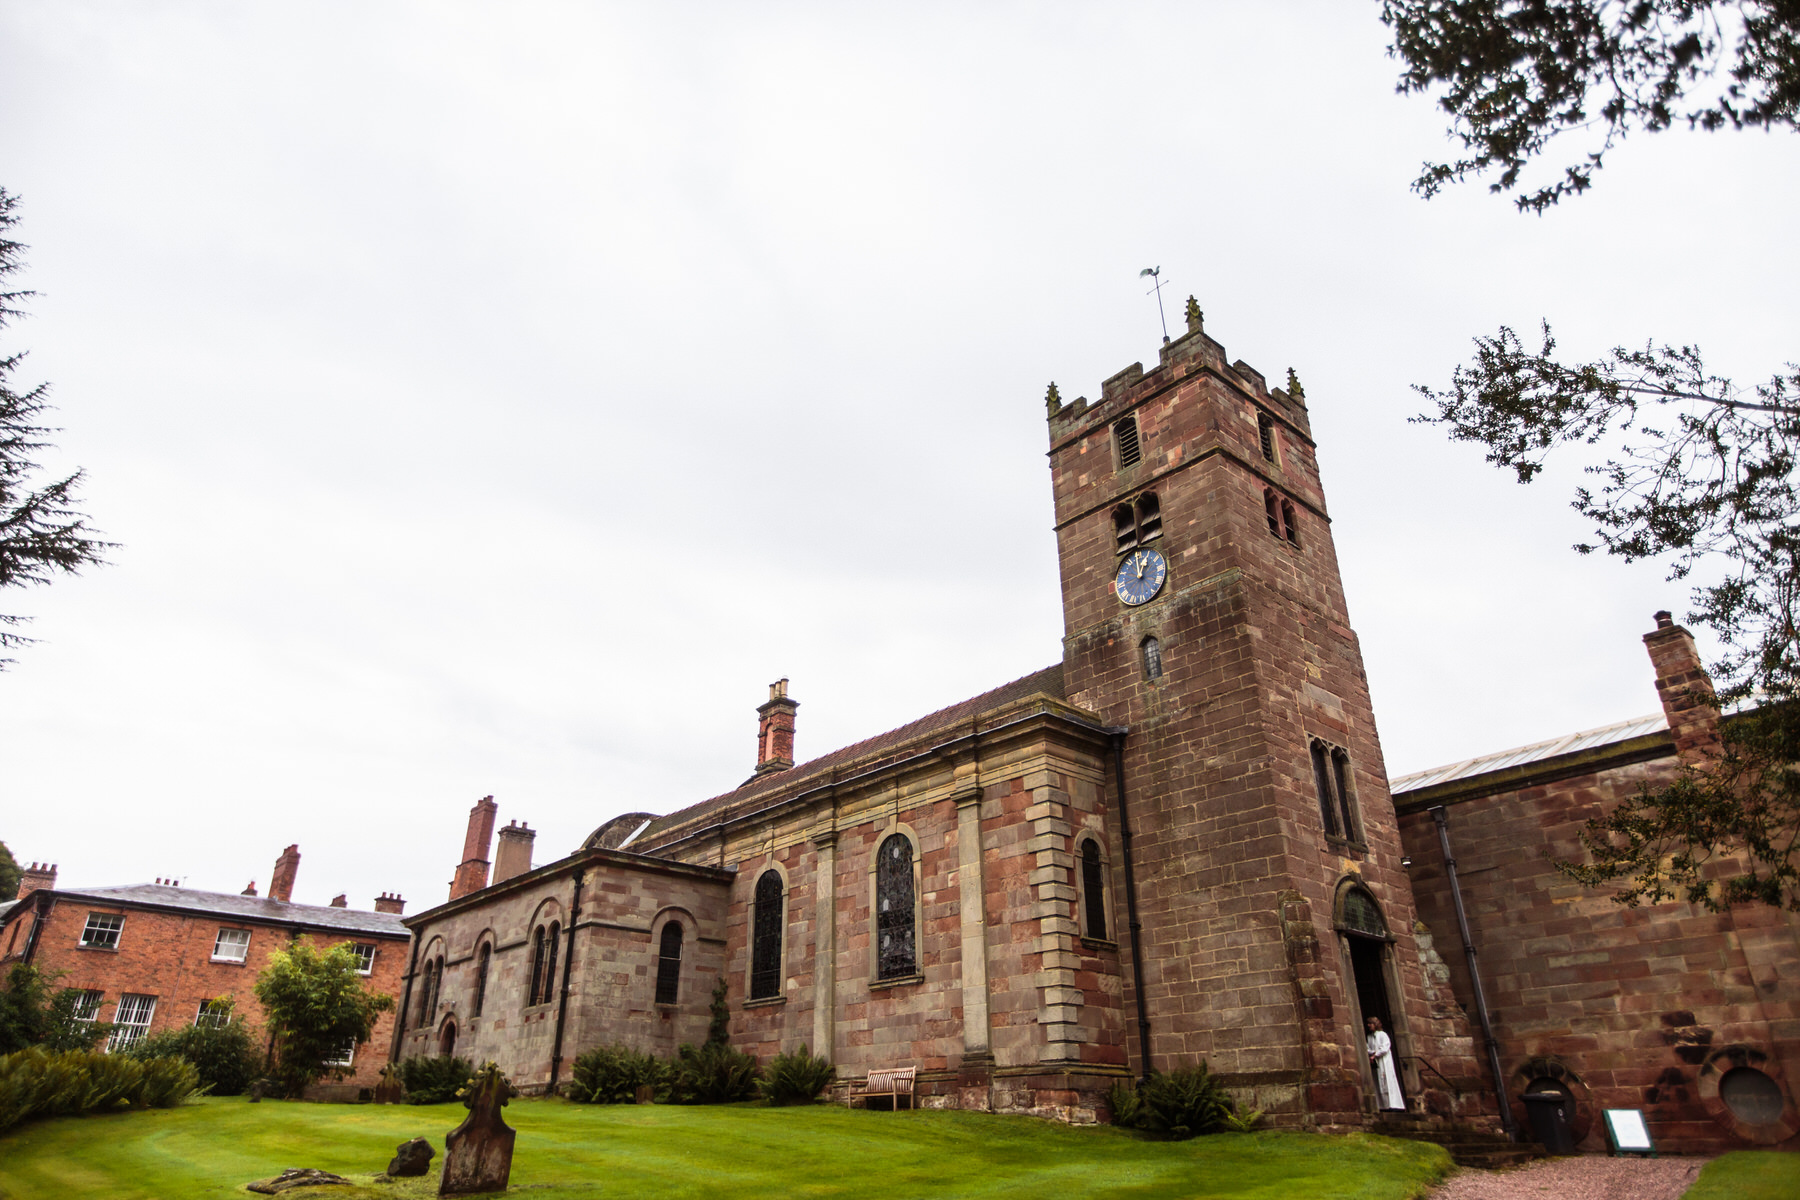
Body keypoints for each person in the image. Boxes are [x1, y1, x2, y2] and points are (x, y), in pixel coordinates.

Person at [1366, 1016, 1404, 1111]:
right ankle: (1382, 1105)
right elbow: (1367, 1048)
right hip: (1376, 1061)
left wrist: (1376, 1054)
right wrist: (1372, 1054)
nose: (1368, 1025)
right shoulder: (1369, 1037)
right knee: (1378, 1081)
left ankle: (1394, 1104)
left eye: (1370, 1024)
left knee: (1387, 1081)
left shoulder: (1382, 1035)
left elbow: (1385, 1047)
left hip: (1384, 1060)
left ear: (1375, 1024)